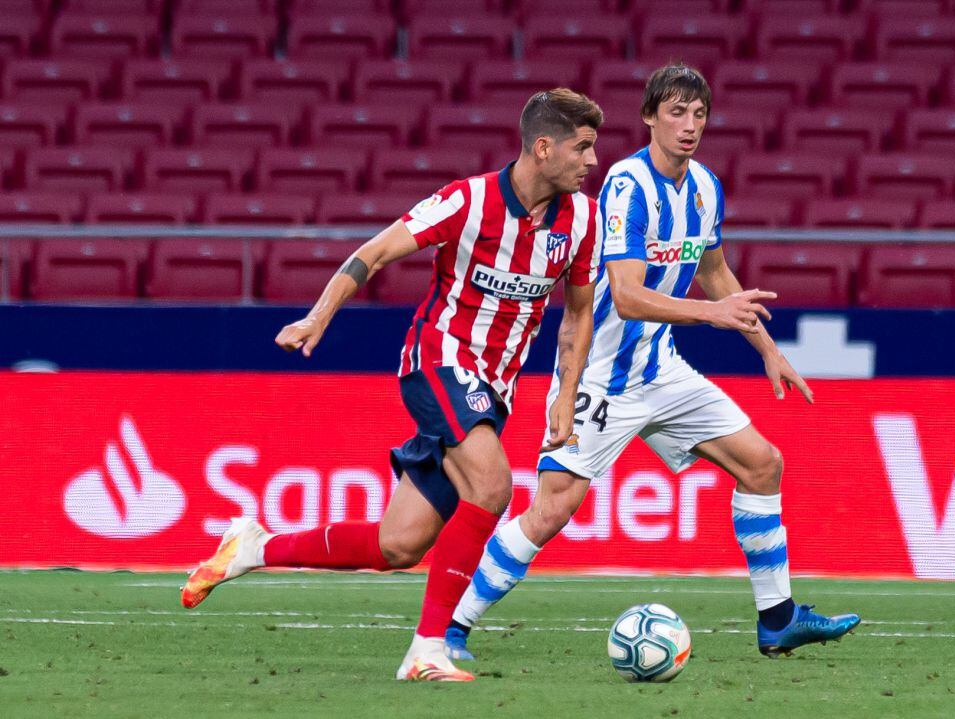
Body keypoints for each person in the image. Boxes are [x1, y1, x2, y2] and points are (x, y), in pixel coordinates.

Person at [180, 88, 613, 682]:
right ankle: (428, 649)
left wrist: (564, 395)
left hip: (495, 391)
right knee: (491, 487)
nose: (592, 161)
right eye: (583, 147)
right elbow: (375, 252)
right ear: (543, 147)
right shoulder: (468, 201)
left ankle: (253, 547)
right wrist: (317, 316)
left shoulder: (584, 219)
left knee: (398, 546)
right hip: (437, 362)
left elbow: (580, 311)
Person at [445, 65, 860, 663]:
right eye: (676, 113)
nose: (689, 127)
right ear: (648, 117)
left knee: (763, 464)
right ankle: (454, 624)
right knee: (552, 509)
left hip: (661, 371)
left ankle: (777, 619)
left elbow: (714, 271)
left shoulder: (706, 188)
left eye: (699, 115)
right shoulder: (626, 186)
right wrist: (715, 318)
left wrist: (769, 349)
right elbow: (630, 295)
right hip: (600, 378)